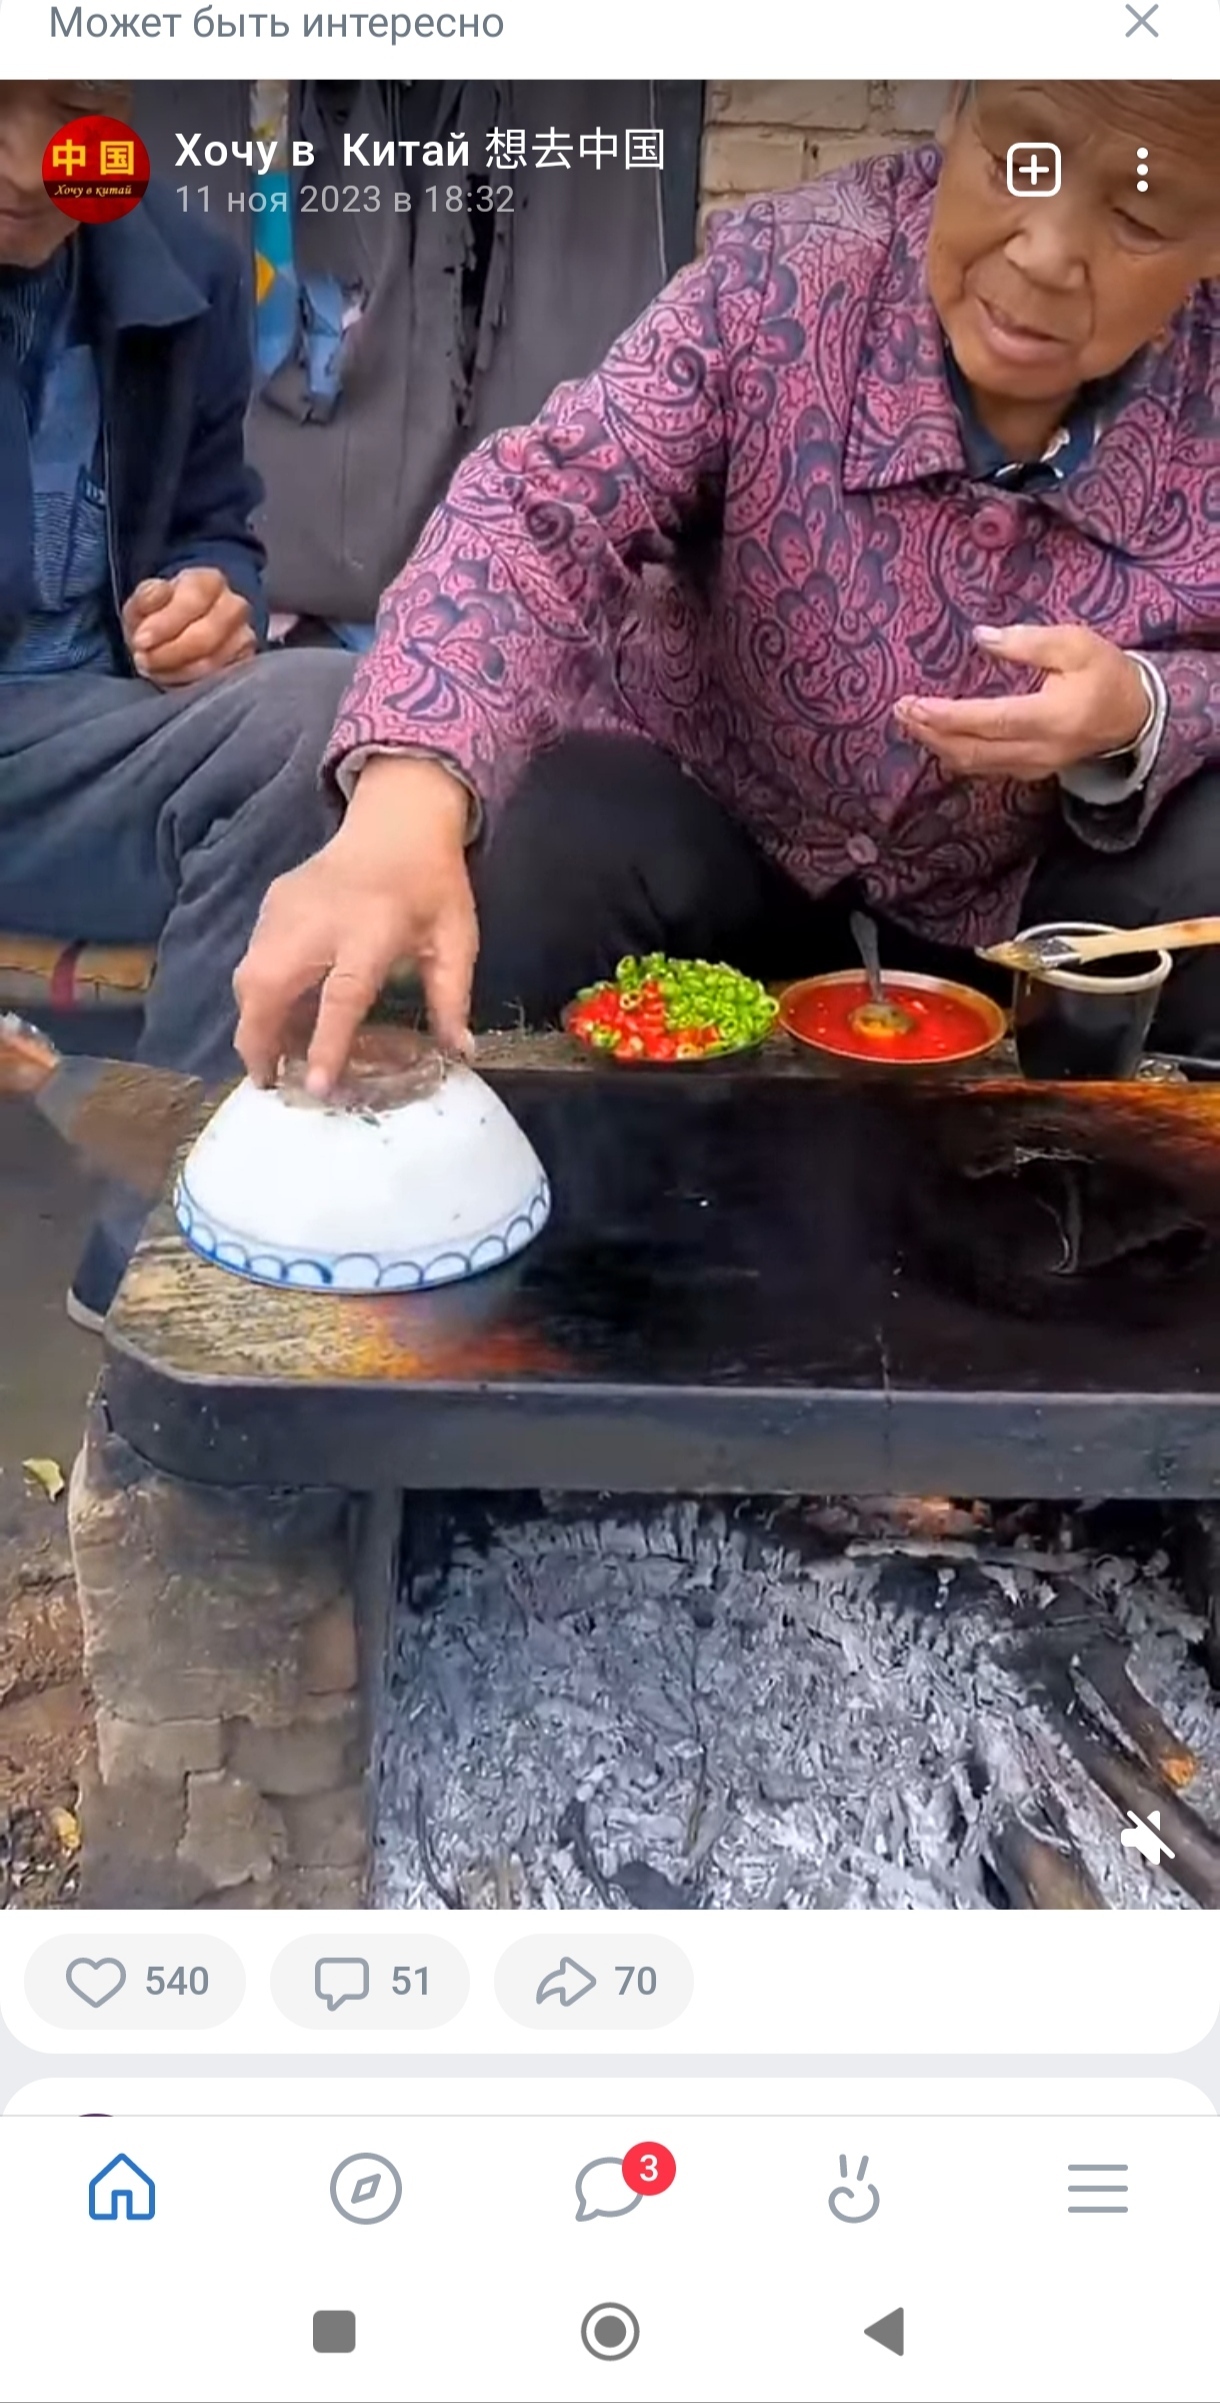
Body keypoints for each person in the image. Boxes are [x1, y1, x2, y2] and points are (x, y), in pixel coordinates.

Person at [232, 79, 1220, 1098]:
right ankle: (527, 1174)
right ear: (955, 117)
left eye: (1139, 214)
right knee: (531, 833)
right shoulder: (786, 279)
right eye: (1019, 160)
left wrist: (1140, 713)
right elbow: (544, 506)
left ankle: (1112, 1189)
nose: (1045, 255)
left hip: (1009, 907)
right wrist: (409, 788)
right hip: (711, 833)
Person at [0, 80, 351, 1320]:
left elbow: (214, 521)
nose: (30, 165)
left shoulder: (179, 274)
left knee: (331, 722)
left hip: (81, 756)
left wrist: (214, 600)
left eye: (65, 111)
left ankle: (160, 1254)